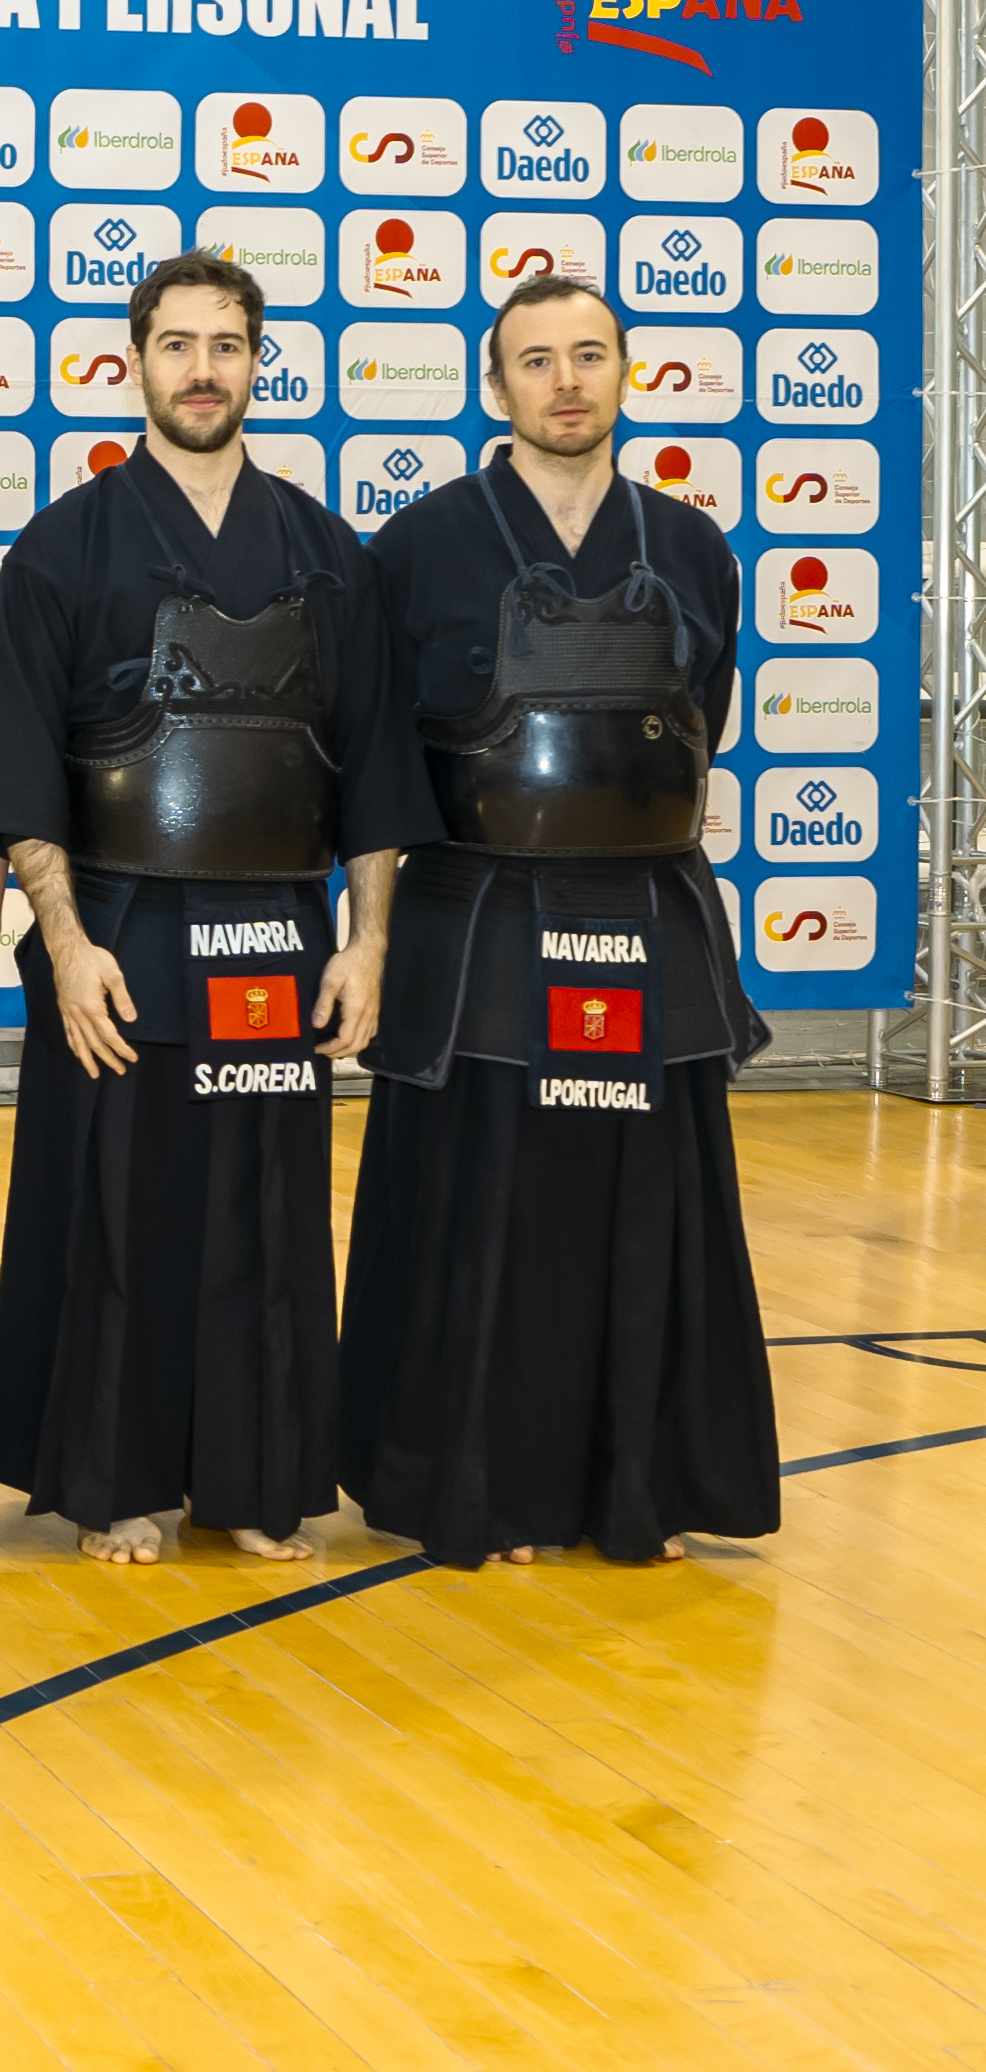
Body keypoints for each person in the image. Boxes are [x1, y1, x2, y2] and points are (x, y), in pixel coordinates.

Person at [0, 251, 438, 1565]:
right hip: (119, 925)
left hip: (275, 929)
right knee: (115, 1201)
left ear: (255, 362)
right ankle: (112, 1475)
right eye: (174, 343)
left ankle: (249, 1474)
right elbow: (20, 766)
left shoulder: (321, 548)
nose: (199, 368)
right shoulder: (60, 545)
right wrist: (59, 944)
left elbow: (365, 769)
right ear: (130, 361)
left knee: (263, 1208)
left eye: (224, 345)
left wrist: (364, 941)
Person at [344, 273, 779, 1565]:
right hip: (479, 920)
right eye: (534, 360)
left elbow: (700, 713)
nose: (564, 381)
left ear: (623, 372)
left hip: (645, 915)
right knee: (482, 1204)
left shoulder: (691, 548)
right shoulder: (415, 547)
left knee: (640, 1206)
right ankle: (479, 1490)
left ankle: (632, 1485)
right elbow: (375, 752)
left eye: (587, 354)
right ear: (495, 387)